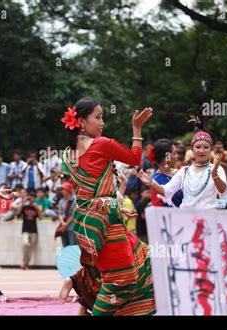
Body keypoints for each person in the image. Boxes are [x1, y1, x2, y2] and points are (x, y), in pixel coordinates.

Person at [61, 97, 156, 316]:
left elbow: (90, 193)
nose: (102, 122)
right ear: (82, 122)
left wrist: (116, 204)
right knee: (122, 278)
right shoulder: (101, 144)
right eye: (98, 117)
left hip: (88, 224)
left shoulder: (68, 154)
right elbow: (134, 158)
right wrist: (137, 128)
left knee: (137, 260)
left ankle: (77, 283)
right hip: (106, 222)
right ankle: (78, 284)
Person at [139, 119, 227, 209]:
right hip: (186, 219)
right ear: (192, 149)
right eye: (198, 147)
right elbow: (167, 191)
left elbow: (223, 192)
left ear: (211, 149)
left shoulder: (217, 169)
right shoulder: (185, 171)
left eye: (206, 147)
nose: (201, 151)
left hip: (208, 218)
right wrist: (151, 182)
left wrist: (214, 175)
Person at [148, 138, 183, 207]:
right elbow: (158, 208)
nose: (177, 156)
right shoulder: (154, 181)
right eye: (174, 153)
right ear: (167, 157)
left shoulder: (180, 172)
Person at [20, 195, 42, 269]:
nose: (30, 200)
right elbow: (18, 213)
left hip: (34, 230)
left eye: (32, 198)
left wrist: (37, 209)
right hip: (25, 230)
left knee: (31, 248)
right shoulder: (24, 207)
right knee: (25, 244)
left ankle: (26, 263)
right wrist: (23, 202)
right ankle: (23, 261)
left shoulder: (36, 207)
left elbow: (40, 218)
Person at [56, 182, 78, 246]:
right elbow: (59, 213)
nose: (62, 191)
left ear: (68, 190)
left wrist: (65, 225)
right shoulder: (61, 201)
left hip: (71, 227)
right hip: (63, 228)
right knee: (65, 246)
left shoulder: (74, 201)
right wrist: (63, 224)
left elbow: (73, 214)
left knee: (72, 246)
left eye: (64, 189)